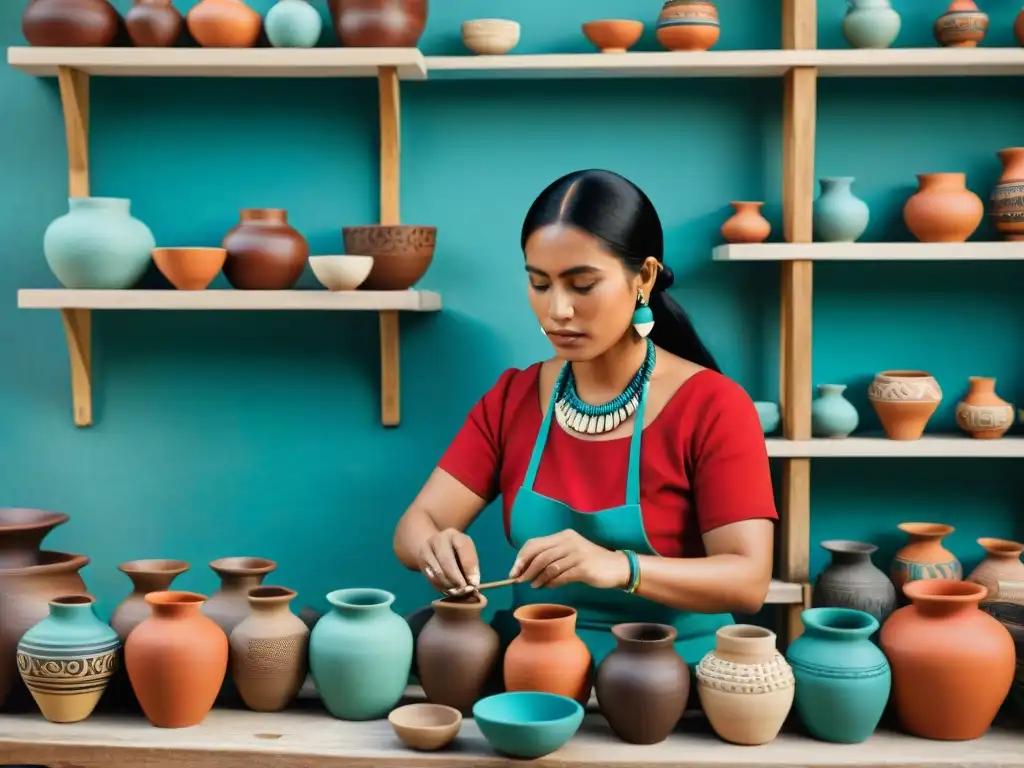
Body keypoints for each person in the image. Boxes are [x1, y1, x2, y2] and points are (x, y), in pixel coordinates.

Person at [393, 168, 777, 668]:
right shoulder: (514, 397)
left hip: (669, 684)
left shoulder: (713, 406)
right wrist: (435, 546)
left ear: (643, 278)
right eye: (539, 283)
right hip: (534, 676)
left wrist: (620, 567)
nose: (557, 311)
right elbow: (413, 528)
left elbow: (748, 581)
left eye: (582, 284)